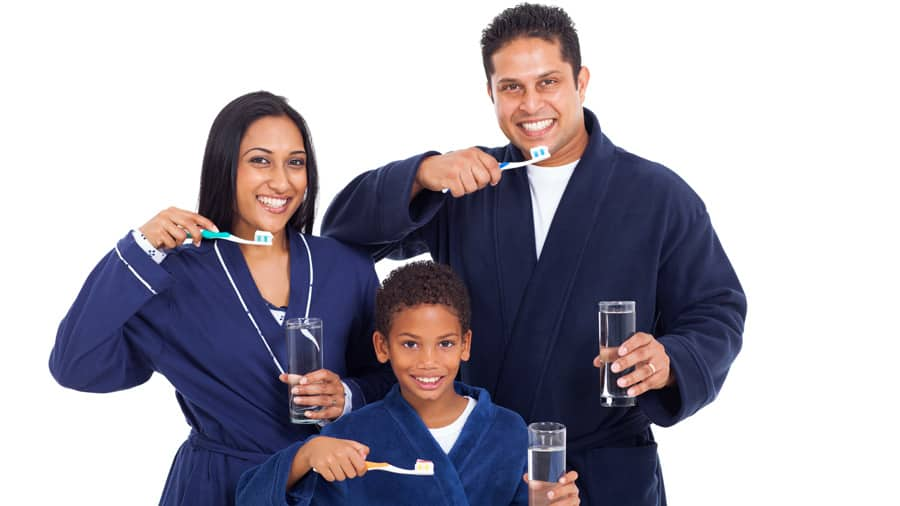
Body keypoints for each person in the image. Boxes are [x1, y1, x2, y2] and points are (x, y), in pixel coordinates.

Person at [320, 4, 747, 506]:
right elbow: (343, 234)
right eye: (512, 87)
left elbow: (716, 309)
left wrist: (670, 361)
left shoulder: (657, 194)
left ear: (581, 81)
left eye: (548, 82)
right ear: (491, 93)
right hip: (486, 465)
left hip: (606, 473)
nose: (530, 104)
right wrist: (423, 174)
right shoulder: (468, 183)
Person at [49, 91, 394, 505]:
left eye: (296, 163)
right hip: (216, 490)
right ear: (225, 167)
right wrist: (139, 249)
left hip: (324, 487)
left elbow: (395, 379)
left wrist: (347, 397)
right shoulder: (174, 276)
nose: (282, 181)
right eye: (260, 160)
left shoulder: (346, 267)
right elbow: (74, 366)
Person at [236, 261, 580, 505]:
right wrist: (306, 455)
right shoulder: (352, 434)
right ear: (382, 347)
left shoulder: (509, 431)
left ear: (465, 345)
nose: (428, 361)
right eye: (410, 344)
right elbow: (250, 498)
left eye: (445, 343)